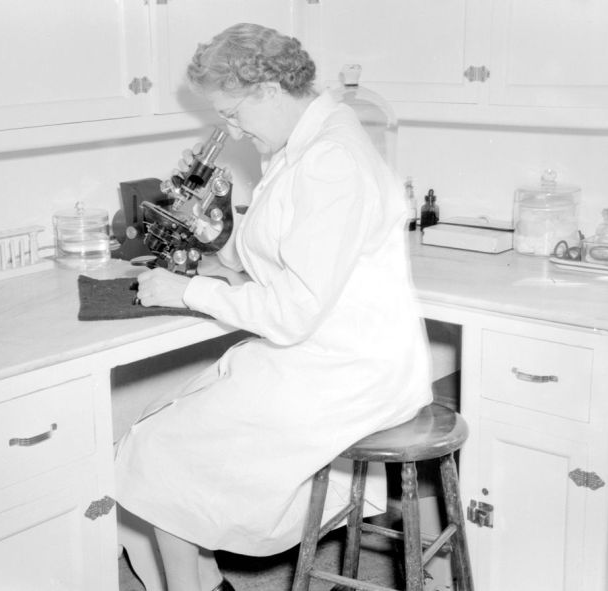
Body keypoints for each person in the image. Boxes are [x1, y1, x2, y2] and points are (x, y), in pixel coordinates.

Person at [114, 22, 432, 591]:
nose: (230, 131)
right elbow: (268, 249)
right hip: (321, 351)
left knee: (158, 450)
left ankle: (200, 583)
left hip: (344, 366)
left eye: (233, 114)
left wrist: (186, 291)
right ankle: (208, 582)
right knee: (155, 430)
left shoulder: (329, 160)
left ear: (268, 90)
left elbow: (292, 310)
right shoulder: (302, 143)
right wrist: (214, 252)